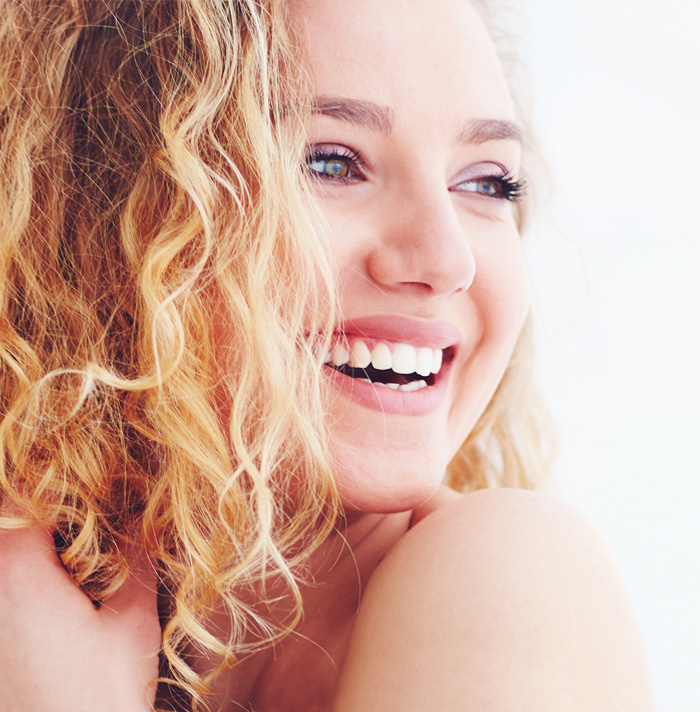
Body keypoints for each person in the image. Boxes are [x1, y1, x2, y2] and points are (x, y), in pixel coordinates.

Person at [0, 0, 656, 710]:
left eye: (486, 182)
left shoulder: (514, 571)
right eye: (333, 162)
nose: (447, 259)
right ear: (101, 210)